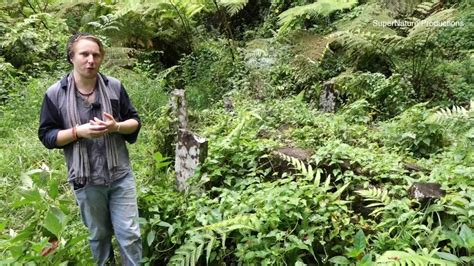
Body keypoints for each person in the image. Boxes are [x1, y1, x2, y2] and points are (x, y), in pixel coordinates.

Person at [38, 33, 142, 265]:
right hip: (86, 180)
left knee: (130, 235)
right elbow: (47, 135)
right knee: (99, 236)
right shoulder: (56, 94)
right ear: (72, 57)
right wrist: (77, 132)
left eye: (96, 54)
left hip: (120, 176)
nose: (90, 60)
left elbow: (134, 122)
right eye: (84, 54)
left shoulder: (114, 87)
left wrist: (115, 126)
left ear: (102, 58)